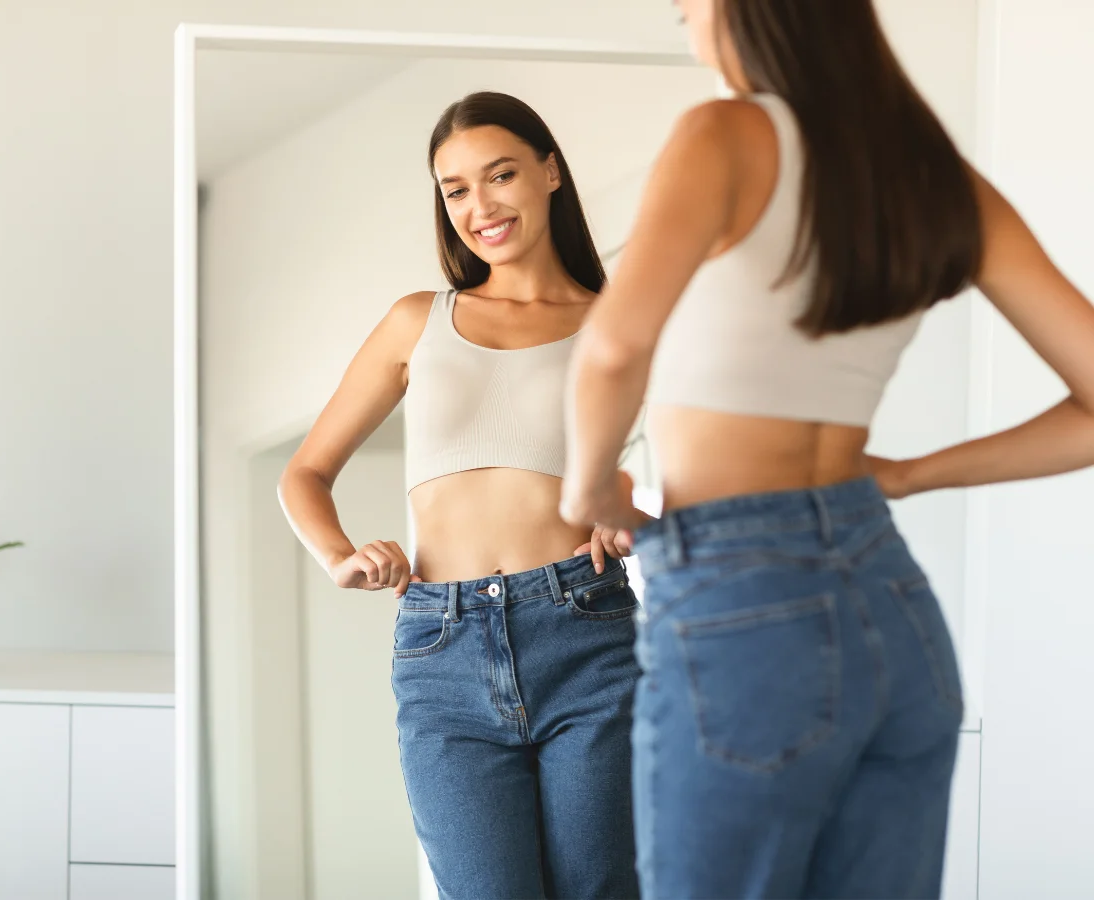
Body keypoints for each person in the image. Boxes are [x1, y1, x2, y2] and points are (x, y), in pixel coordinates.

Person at [558, 2, 1094, 898]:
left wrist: (592, 498)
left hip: (738, 601)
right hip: (890, 606)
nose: (688, 24)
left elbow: (612, 347)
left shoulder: (724, 133)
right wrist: (910, 477)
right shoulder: (934, 179)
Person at [278, 91, 644, 900]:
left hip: (582, 630)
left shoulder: (620, 324)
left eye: (501, 174)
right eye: (456, 189)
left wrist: (633, 517)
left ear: (550, 171)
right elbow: (303, 473)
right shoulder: (419, 320)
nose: (481, 205)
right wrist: (341, 557)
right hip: (440, 648)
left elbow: (706, 493)